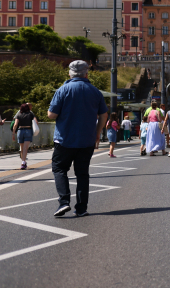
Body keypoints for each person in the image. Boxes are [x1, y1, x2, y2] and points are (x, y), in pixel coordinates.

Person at [47, 60, 108, 218]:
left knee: (59, 169)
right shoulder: (95, 92)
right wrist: (97, 133)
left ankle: (64, 202)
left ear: (70, 73)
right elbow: (104, 115)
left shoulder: (63, 90)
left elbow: (51, 114)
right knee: (82, 173)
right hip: (87, 140)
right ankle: (81, 208)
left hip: (64, 139)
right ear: (87, 73)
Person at [11, 103, 38, 170]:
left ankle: (23, 162)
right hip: (28, 131)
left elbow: (15, 124)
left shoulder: (19, 114)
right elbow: (36, 122)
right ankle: (23, 162)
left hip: (20, 131)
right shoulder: (31, 114)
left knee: (22, 148)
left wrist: (13, 134)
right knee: (26, 148)